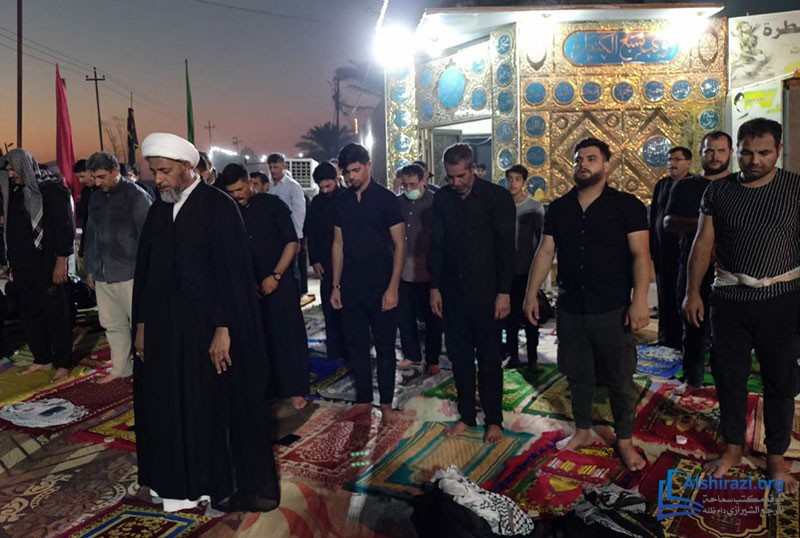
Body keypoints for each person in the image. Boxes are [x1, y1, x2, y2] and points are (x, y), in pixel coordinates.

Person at [134, 133, 279, 512]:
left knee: (207, 410)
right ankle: (175, 485)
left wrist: (223, 329)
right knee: (168, 406)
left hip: (207, 332)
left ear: (187, 167)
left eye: (164, 171)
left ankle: (212, 485)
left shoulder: (219, 207)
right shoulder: (158, 210)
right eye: (154, 171)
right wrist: (143, 325)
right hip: (165, 332)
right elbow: (146, 273)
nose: (158, 179)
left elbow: (234, 276)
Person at [683, 118, 800, 493]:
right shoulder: (718, 191)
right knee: (729, 378)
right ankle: (732, 448)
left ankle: (776, 458)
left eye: (764, 152)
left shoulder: (795, 188)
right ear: (737, 151)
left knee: (780, 381)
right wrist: (692, 292)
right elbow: (702, 243)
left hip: (782, 300)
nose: (754, 160)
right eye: (747, 153)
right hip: (729, 300)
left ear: (778, 150)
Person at [523, 137, 649, 471]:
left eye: (591, 158)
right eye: (579, 158)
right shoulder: (559, 208)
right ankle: (582, 430)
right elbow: (545, 252)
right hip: (571, 308)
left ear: (606, 165)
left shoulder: (627, 206)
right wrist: (531, 293)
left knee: (620, 378)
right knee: (578, 375)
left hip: (612, 308)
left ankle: (624, 439)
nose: (583, 164)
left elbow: (641, 255)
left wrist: (639, 301)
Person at [429, 143, 515, 444]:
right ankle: (466, 415)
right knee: (460, 358)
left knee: (489, 359)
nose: (456, 183)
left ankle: (494, 420)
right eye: (450, 177)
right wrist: (435, 287)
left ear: (474, 169)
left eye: (461, 176)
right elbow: (436, 245)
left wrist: (504, 292)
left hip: (487, 293)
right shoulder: (442, 199)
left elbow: (506, 249)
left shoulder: (497, 197)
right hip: (453, 293)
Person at [220, 163, 309, 410]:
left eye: (240, 189)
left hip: (280, 282)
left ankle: (296, 389)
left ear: (250, 183)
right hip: (252, 288)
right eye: (232, 192)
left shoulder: (273, 205)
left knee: (287, 335)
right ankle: (269, 389)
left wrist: (276, 276)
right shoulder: (230, 213)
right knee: (261, 338)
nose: (237, 195)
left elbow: (291, 243)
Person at [331, 143, 405, 424]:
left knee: (385, 347)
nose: (351, 177)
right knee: (357, 345)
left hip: (382, 285)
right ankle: (363, 399)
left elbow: (400, 246)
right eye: (347, 172)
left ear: (368, 165)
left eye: (356, 170)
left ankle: (386, 404)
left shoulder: (387, 200)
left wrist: (393, 287)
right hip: (351, 286)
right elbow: (338, 244)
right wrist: (335, 286)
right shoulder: (342, 201)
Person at [1, 149, 76, 382]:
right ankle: (42, 359)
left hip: (48, 264)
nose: (11, 175)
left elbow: (65, 229)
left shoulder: (52, 191)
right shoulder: (15, 193)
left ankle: (63, 362)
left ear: (24, 166)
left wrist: (61, 262)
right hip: (22, 266)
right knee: (31, 314)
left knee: (56, 314)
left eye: (13, 169)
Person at [664, 132, 732, 387]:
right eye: (709, 151)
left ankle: (725, 387)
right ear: (701, 154)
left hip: (730, 271)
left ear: (730, 153)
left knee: (728, 334)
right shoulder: (685, 186)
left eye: (721, 151)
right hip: (692, 269)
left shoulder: (738, 186)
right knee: (693, 329)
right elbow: (668, 222)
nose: (715, 156)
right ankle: (693, 384)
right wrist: (706, 225)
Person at [84, 152, 152, 384]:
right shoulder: (95, 198)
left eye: (102, 176)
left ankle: (151, 373)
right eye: (94, 177)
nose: (97, 182)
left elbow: (149, 237)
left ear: (115, 171)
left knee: (143, 327)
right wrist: (91, 268)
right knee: (112, 325)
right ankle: (121, 369)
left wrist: (147, 273)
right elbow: (91, 235)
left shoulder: (135, 196)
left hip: (130, 273)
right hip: (104, 273)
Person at [396, 163, 442, 376]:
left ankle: (432, 358)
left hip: (429, 270)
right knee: (405, 315)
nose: (408, 189)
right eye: (405, 185)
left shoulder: (436, 202)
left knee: (433, 317)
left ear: (423, 180)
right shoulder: (397, 203)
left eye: (412, 184)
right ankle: (412, 354)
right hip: (404, 269)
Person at [650, 146, 692, 350]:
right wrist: (651, 247)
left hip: (683, 253)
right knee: (664, 295)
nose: (671, 164)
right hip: (662, 252)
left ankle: (682, 340)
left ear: (688, 163)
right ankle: (665, 338)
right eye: (669, 159)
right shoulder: (662, 185)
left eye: (677, 159)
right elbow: (654, 217)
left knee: (681, 295)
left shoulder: (692, 185)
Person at [503, 165, 545, 373]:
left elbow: (543, 242)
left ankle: (533, 357)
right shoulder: (501, 206)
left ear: (524, 182)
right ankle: (513, 354)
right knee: (509, 316)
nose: (513, 183)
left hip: (527, 271)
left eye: (517, 179)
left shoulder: (534, 208)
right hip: (506, 270)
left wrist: (540, 275)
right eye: (509, 179)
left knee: (530, 315)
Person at [305, 162, 347, 361]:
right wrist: (315, 260)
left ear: (337, 180)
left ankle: (352, 349)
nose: (325, 191)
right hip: (325, 263)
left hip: (349, 262)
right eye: (321, 187)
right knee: (330, 309)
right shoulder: (317, 203)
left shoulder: (347, 198)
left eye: (328, 186)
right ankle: (335, 350)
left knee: (350, 309)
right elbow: (311, 233)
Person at [267, 154, 307, 294]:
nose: (273, 170)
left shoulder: (292, 186)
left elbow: (299, 213)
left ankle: (296, 295)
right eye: (271, 167)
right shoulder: (269, 185)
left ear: (284, 166)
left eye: (276, 167)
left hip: (289, 234)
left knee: (291, 268)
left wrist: (297, 237)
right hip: (274, 235)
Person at [73, 159, 96, 264]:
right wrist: (82, 250)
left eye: (82, 176)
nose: (80, 181)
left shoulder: (103, 191)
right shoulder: (86, 192)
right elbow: (86, 223)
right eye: (78, 177)